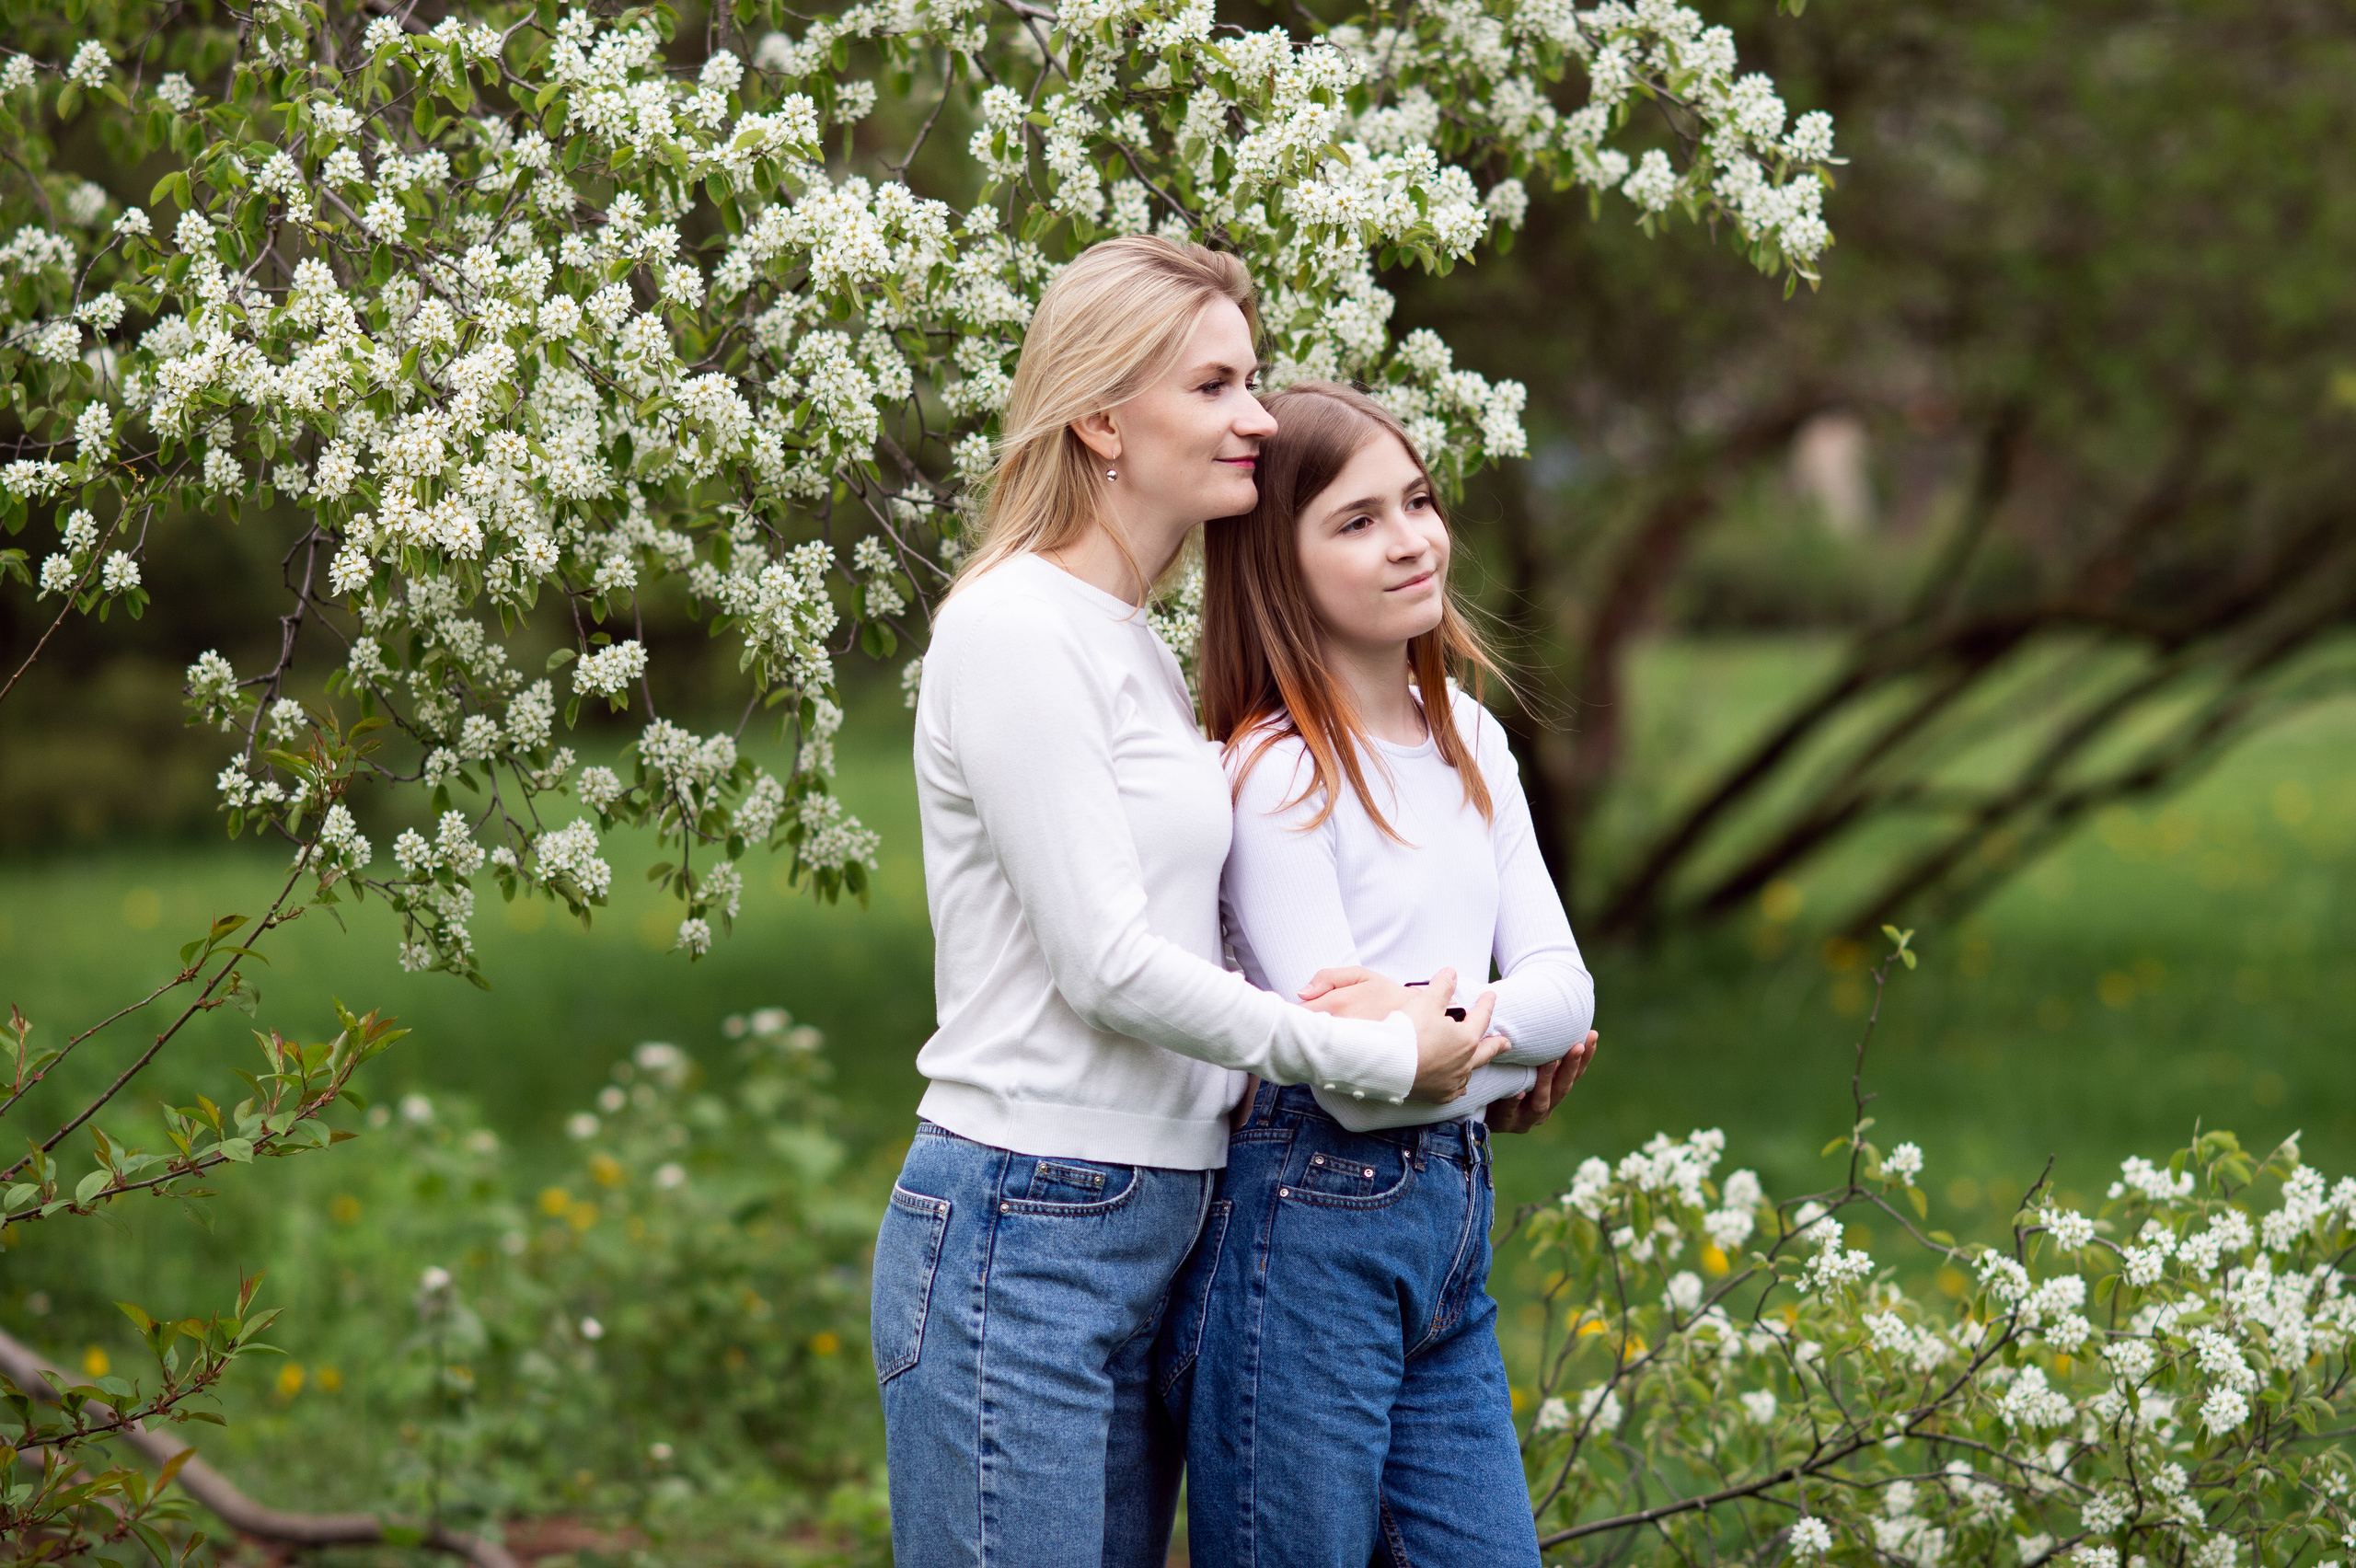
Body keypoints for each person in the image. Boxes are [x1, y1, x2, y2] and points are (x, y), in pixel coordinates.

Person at [871, 239, 1511, 1568]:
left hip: (1165, 1212)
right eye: (1216, 385)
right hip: (1024, 1223)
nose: (1259, 419)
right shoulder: (1014, 630)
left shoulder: (1130, 643)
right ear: (1104, 416)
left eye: (1253, 381)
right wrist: (1379, 1054)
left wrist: (1474, 1027)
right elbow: (1106, 964)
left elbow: (1198, 927)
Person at [1161, 379, 1600, 1568]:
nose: (1409, 539)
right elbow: (1353, 1084)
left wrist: (1435, 1028)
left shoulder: (1469, 736)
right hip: (1308, 1232)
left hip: (1450, 1229)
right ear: (1275, 565)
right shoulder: (1277, 772)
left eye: (1416, 500)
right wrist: (1492, 1049)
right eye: (1355, 521)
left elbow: (1570, 992)